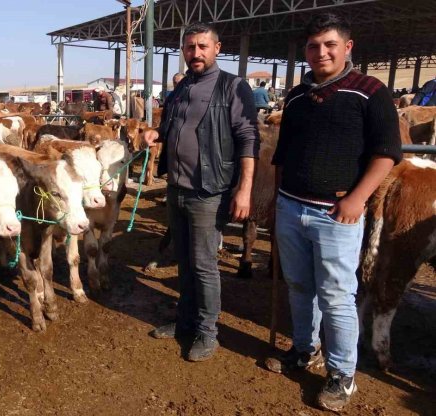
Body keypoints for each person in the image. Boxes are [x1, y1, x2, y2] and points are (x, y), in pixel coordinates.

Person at [270, 14, 401, 412]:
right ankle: (304, 349)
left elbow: (387, 155)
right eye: (313, 46)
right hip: (291, 206)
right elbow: (283, 155)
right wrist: (277, 202)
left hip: (335, 213)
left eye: (329, 44)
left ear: (348, 46)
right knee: (298, 286)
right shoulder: (295, 96)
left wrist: (358, 199)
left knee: (336, 296)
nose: (321, 52)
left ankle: (342, 374)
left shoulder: (370, 92)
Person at [143, 22, 259, 362]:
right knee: (184, 261)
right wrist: (156, 134)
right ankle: (184, 322)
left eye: (202, 46)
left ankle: (208, 333)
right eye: (190, 47)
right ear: (183, 50)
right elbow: (171, 126)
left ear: (217, 48)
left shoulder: (233, 87)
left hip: (210, 190)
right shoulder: (180, 90)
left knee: (205, 265)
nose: (196, 53)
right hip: (177, 188)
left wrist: (244, 189)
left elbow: (249, 139)